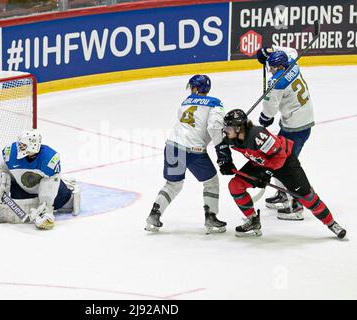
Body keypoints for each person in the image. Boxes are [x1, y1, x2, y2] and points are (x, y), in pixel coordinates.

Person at [219, 108, 346, 239]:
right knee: (235, 185)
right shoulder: (231, 137)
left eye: (228, 127)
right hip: (261, 163)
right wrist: (224, 161)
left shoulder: (258, 135)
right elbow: (220, 145)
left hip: (285, 163)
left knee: (307, 197)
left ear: (239, 128)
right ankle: (253, 221)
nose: (225, 130)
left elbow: (279, 158)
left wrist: (265, 174)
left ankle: (331, 223)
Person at [145, 74, 232, 234]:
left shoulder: (185, 102)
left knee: (172, 184)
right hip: (194, 150)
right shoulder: (215, 103)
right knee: (211, 181)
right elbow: (213, 127)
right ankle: (211, 217)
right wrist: (221, 148)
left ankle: (154, 214)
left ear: (195, 88)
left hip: (172, 146)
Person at [0, 129, 80, 230]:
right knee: (18, 201)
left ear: (33, 146)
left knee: (62, 199)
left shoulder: (49, 157)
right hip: (22, 187)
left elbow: (50, 184)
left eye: (23, 145)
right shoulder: (10, 152)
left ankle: (51, 205)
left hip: (45, 188)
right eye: (19, 144)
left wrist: (47, 210)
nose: (19, 147)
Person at [256, 47, 314, 221]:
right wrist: (268, 51)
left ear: (279, 67)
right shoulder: (292, 63)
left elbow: (269, 110)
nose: (271, 70)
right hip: (301, 120)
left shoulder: (276, 82)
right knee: (279, 160)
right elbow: (291, 50)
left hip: (296, 127)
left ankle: (297, 205)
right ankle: (283, 194)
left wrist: (264, 118)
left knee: (285, 165)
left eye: (272, 68)